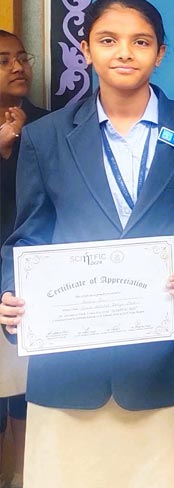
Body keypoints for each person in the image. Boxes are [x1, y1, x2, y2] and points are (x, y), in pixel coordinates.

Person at [0, 0, 174, 487]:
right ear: (85, 48)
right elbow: (28, 237)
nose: (124, 52)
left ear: (160, 53)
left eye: (140, 42)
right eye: (108, 40)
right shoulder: (45, 137)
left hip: (163, 370)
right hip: (68, 371)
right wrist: (11, 292)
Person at [0, 30, 47, 487]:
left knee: (25, 393)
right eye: (3, 60)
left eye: (21, 57)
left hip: (27, 281)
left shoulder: (50, 126)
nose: (17, 67)